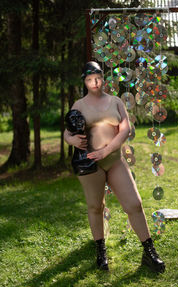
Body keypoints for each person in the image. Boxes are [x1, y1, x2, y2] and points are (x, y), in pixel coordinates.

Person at [64, 61, 165, 273]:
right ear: (85, 81)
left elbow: (125, 129)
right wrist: (71, 141)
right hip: (90, 164)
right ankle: (100, 251)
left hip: (114, 160)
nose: (94, 82)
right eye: (90, 79)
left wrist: (106, 149)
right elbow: (68, 132)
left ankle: (149, 252)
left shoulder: (115, 101)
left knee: (134, 204)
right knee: (95, 207)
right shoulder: (79, 105)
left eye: (98, 77)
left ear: (103, 78)